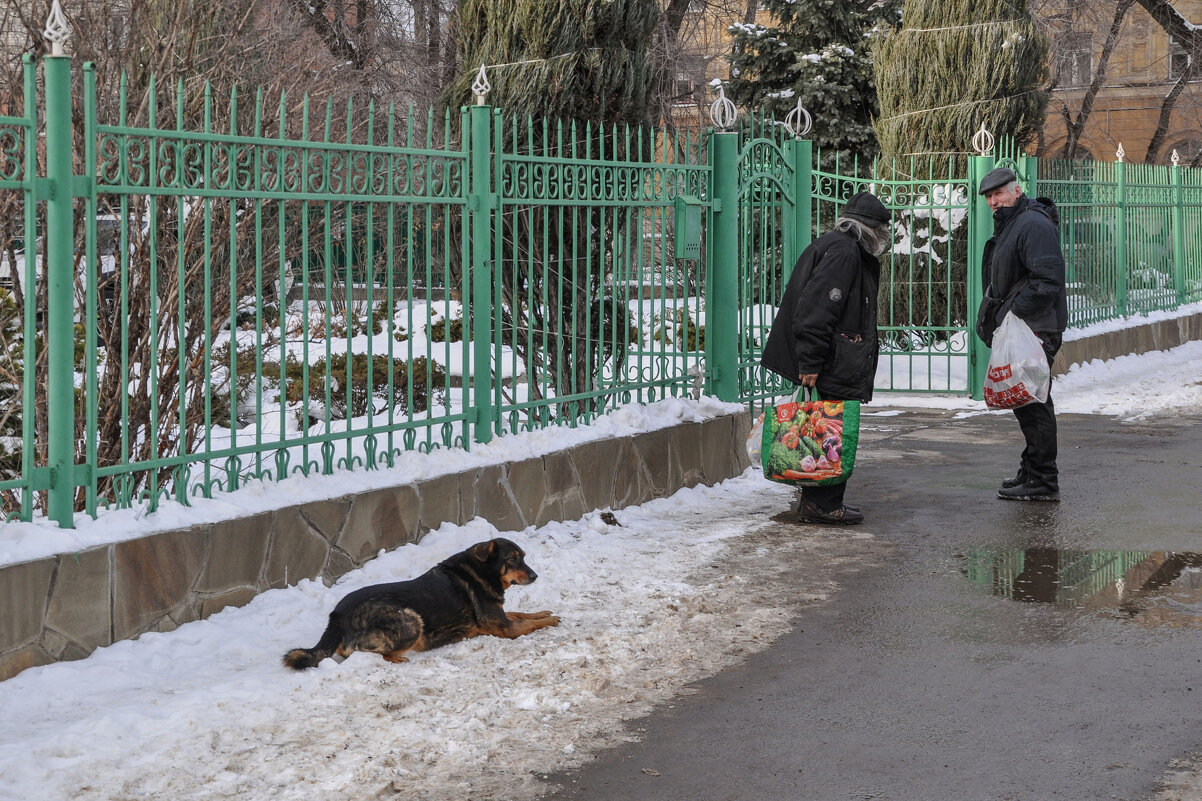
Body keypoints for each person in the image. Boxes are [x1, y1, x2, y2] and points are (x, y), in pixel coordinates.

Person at [760, 190, 891, 525]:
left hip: (834, 356)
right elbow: (816, 312)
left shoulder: (839, 246)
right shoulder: (845, 253)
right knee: (830, 428)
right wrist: (811, 362)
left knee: (822, 426)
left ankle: (816, 497)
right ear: (869, 229)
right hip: (833, 359)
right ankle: (823, 503)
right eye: (883, 230)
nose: (886, 238)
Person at [976, 167, 1068, 502]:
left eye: (998, 194)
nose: (993, 201)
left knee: (1034, 402)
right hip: (1027, 326)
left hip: (1036, 327)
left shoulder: (1032, 223)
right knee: (1026, 401)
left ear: (1016, 191)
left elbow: (1047, 281)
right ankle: (1032, 470)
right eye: (988, 197)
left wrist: (1013, 313)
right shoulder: (1014, 224)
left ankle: (1044, 481)